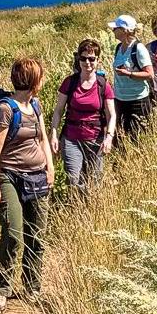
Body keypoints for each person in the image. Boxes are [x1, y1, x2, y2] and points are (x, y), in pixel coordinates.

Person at [0, 58, 56, 314]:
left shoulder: (35, 104)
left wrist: (50, 167)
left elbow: (43, 138)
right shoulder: (6, 109)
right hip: (9, 176)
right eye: (40, 76)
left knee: (37, 235)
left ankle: (32, 287)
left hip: (37, 176)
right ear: (33, 80)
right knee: (13, 232)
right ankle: (2, 290)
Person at [49, 39, 116, 198]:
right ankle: (76, 205)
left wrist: (109, 138)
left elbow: (111, 114)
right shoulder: (69, 83)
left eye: (92, 59)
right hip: (72, 138)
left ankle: (90, 208)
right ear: (78, 60)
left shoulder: (103, 85)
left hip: (96, 140)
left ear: (98, 60)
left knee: (94, 181)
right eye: (84, 58)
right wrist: (53, 134)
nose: (87, 62)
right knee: (73, 179)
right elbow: (58, 111)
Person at [108, 14, 155, 141]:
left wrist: (128, 74)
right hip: (120, 99)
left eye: (115, 28)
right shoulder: (118, 48)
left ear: (124, 31)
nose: (113, 31)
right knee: (120, 138)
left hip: (138, 101)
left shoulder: (138, 48)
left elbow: (149, 74)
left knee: (138, 138)